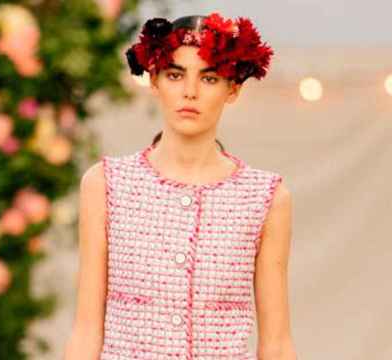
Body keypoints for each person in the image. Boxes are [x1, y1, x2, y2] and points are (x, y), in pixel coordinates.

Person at [64, 12, 297, 360]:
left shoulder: (265, 197)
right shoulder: (106, 184)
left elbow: (276, 343)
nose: (190, 92)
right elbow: (86, 332)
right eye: (175, 75)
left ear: (232, 88)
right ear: (154, 80)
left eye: (209, 78)